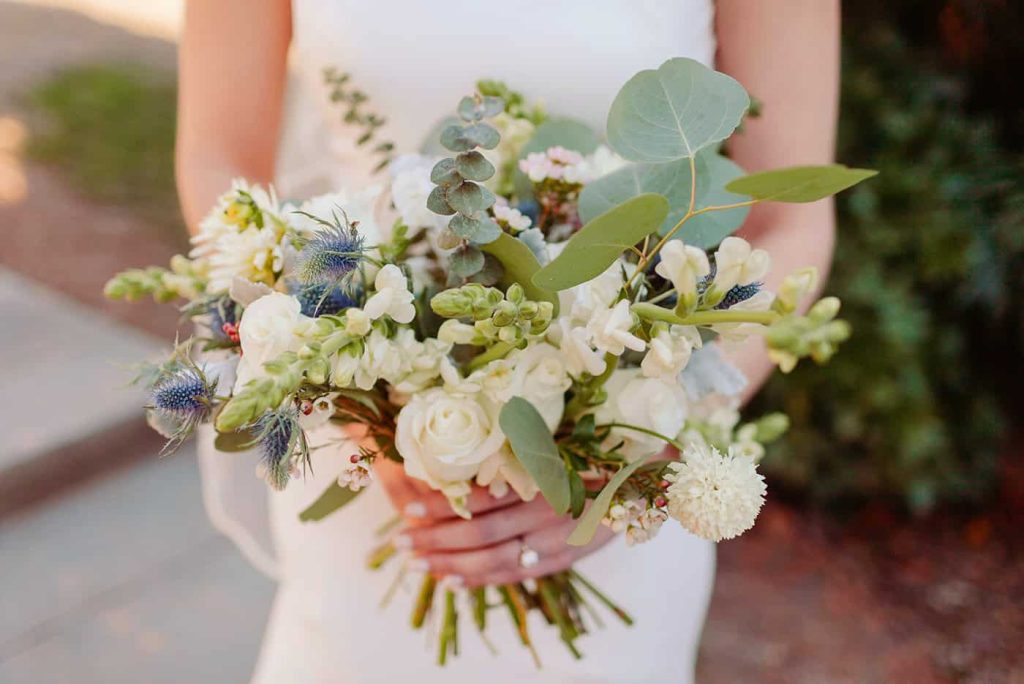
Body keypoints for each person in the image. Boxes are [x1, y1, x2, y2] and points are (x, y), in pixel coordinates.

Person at [177, 1, 840, 681]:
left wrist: (629, 452)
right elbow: (218, 163)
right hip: (375, 475)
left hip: (611, 501)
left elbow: (790, 226)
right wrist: (365, 404)